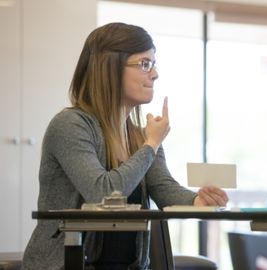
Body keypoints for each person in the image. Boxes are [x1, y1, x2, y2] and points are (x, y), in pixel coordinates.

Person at [22, 22, 228, 270]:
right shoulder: (70, 125)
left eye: (153, 64)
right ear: (109, 69)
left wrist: (199, 202)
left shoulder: (141, 136)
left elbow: (163, 190)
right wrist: (151, 144)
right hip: (67, 265)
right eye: (144, 64)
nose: (154, 74)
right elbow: (103, 193)